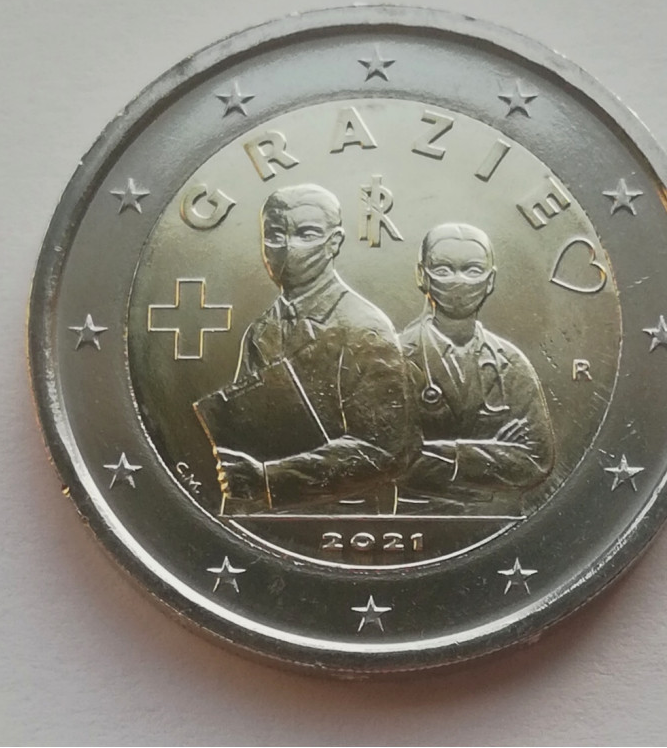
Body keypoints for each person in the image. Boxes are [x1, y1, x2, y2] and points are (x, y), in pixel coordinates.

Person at [194, 183, 410, 514]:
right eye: (274, 234)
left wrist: (269, 478)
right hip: (272, 516)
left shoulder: (364, 326)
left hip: (349, 514)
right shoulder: (261, 331)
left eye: (306, 234)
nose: (287, 247)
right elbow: (246, 435)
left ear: (334, 243)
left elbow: (386, 450)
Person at [397, 223, 554, 512]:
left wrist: (445, 452)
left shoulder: (511, 363)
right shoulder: (393, 359)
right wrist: (496, 451)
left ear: (490, 280)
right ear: (422, 275)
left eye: (472, 270)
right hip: (413, 514)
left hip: (499, 518)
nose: (459, 281)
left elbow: (536, 461)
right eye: (443, 269)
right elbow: (392, 461)